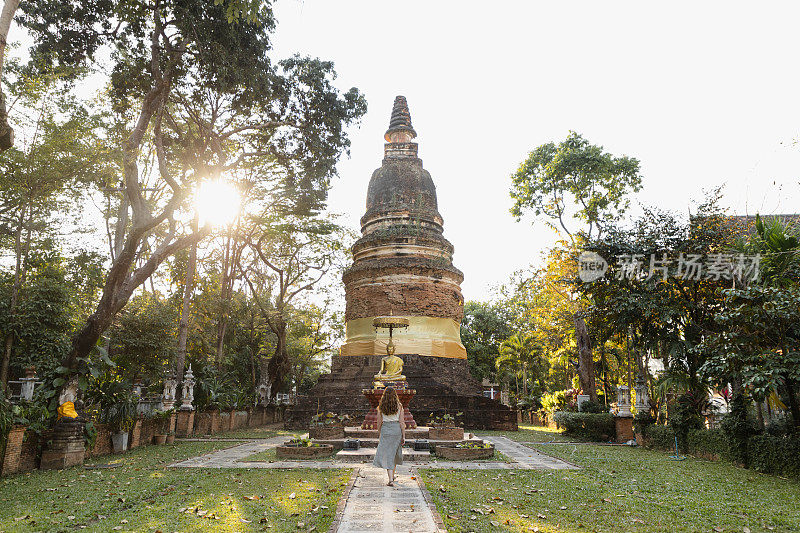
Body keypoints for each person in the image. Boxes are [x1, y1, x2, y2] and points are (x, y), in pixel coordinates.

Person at [372, 386, 406, 486]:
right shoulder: (399, 406)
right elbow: (402, 422)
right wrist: (403, 436)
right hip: (396, 430)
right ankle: (391, 478)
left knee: (388, 454)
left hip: (386, 429)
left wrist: (380, 433)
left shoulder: (381, 406)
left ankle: (391, 476)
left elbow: (379, 422)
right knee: (394, 453)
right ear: (395, 395)